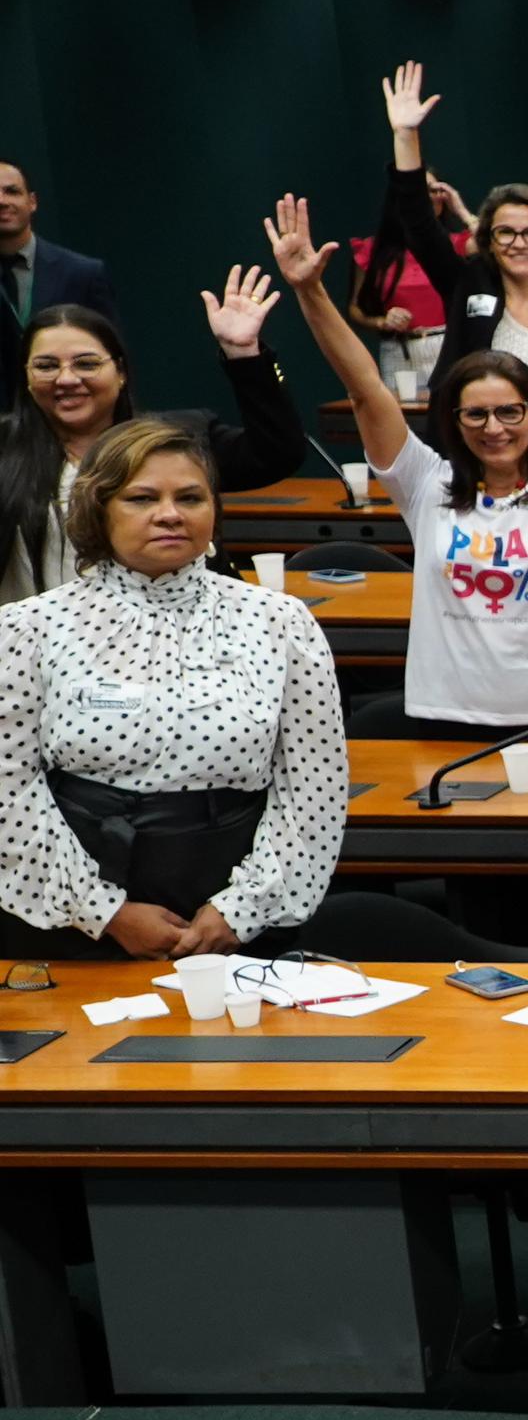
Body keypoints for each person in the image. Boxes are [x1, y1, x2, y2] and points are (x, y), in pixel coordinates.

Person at [0, 420, 345, 958]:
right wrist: (101, 910)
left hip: (234, 893)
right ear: (99, 509)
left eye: (190, 497)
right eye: (141, 498)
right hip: (70, 898)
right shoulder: (31, 627)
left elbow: (314, 787)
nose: (170, 514)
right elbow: (8, 785)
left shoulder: (280, 622)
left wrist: (243, 908)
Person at [267, 204, 528, 730]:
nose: (494, 427)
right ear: (453, 419)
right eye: (476, 413)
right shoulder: (428, 483)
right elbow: (366, 391)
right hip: (448, 712)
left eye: (510, 411)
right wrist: (310, 291)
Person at [0, 289, 303, 605]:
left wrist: (244, 355)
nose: (66, 379)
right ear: (27, 378)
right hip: (34, 644)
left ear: (120, 373)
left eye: (86, 364)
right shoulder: (5, 448)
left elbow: (277, 453)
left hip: (175, 640)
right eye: (46, 366)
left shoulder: (175, 441)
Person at [371, 63, 528, 394]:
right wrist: (406, 136)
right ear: (489, 239)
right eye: (506, 232)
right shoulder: (466, 285)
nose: (519, 243)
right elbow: (419, 223)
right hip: (467, 443)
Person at [0, 160, 116, 325]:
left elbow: (107, 346)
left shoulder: (83, 275)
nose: (1, 201)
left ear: (32, 202)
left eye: (12, 191)